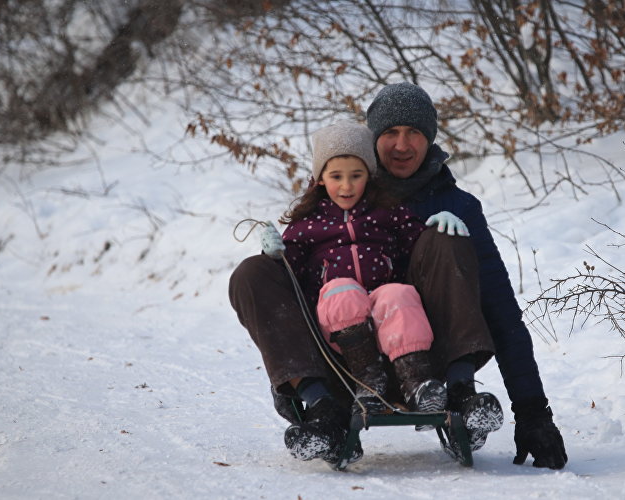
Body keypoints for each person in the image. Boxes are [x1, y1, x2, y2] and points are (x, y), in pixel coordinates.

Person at [230, 121, 501, 466]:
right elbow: (288, 285)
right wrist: (276, 255)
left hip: (400, 339)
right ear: (320, 179)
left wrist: (438, 229)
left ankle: (448, 391)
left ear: (369, 175)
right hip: (338, 356)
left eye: (356, 175)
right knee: (322, 288)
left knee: (396, 293)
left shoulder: (388, 214)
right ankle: (322, 407)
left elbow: (424, 255)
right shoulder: (307, 225)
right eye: (336, 176)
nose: (346, 186)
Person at [364, 82, 567, 470]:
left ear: (430, 139)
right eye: (390, 132)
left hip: (439, 365)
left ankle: (460, 393)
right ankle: (318, 399)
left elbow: (501, 311)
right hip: (360, 361)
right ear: (373, 139)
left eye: (414, 133)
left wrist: (533, 412)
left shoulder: (459, 207)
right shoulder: (348, 195)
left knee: (446, 236)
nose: (402, 145)